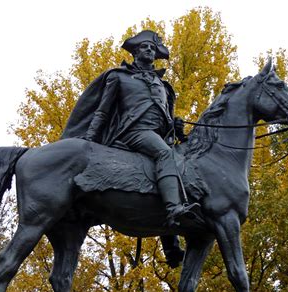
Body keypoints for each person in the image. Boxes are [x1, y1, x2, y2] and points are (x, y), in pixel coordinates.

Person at [62, 30, 198, 228]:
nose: (149, 50)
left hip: (159, 136)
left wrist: (177, 127)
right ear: (135, 51)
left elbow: (168, 117)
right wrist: (89, 139)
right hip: (133, 133)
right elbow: (103, 111)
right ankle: (173, 208)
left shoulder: (164, 86)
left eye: (152, 48)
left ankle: (171, 243)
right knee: (165, 154)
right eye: (145, 47)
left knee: (179, 168)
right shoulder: (119, 77)